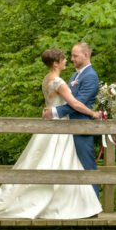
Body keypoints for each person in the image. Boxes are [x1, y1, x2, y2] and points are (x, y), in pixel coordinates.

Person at [0, 48, 103, 219]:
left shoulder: (47, 79)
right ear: (55, 63)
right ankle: (67, 206)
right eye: (64, 58)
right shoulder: (58, 81)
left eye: (72, 56)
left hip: (50, 126)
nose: (67, 60)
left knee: (50, 162)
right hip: (59, 129)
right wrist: (93, 114)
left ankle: (68, 204)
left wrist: (53, 111)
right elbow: (75, 103)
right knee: (56, 162)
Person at [42, 42, 100, 195]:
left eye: (75, 55)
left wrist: (54, 111)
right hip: (66, 127)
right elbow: (71, 101)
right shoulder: (75, 75)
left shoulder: (91, 76)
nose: (72, 58)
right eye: (71, 56)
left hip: (81, 126)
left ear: (86, 55)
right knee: (69, 165)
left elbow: (77, 102)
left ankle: (93, 203)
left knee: (86, 165)